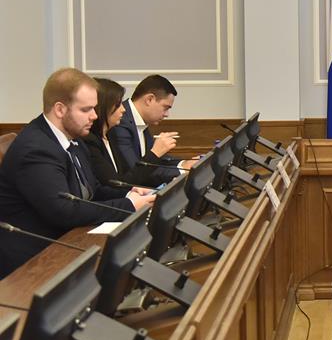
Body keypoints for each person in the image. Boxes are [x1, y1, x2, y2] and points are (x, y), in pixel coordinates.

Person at [0, 68, 155, 278]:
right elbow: (63, 210)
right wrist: (128, 205)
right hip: (33, 260)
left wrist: (129, 193)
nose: (94, 116)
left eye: (95, 108)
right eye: (86, 109)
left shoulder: (74, 137)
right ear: (60, 109)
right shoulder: (36, 149)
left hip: (67, 240)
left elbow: (92, 191)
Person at [84, 78, 178, 188]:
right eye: (118, 104)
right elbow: (127, 177)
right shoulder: (114, 130)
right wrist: (155, 153)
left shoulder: (111, 134)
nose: (123, 109)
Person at [109, 74, 190, 183]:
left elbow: (156, 160)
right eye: (165, 107)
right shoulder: (120, 121)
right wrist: (182, 171)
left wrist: (184, 163)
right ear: (149, 99)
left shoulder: (140, 120)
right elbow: (138, 171)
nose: (167, 114)